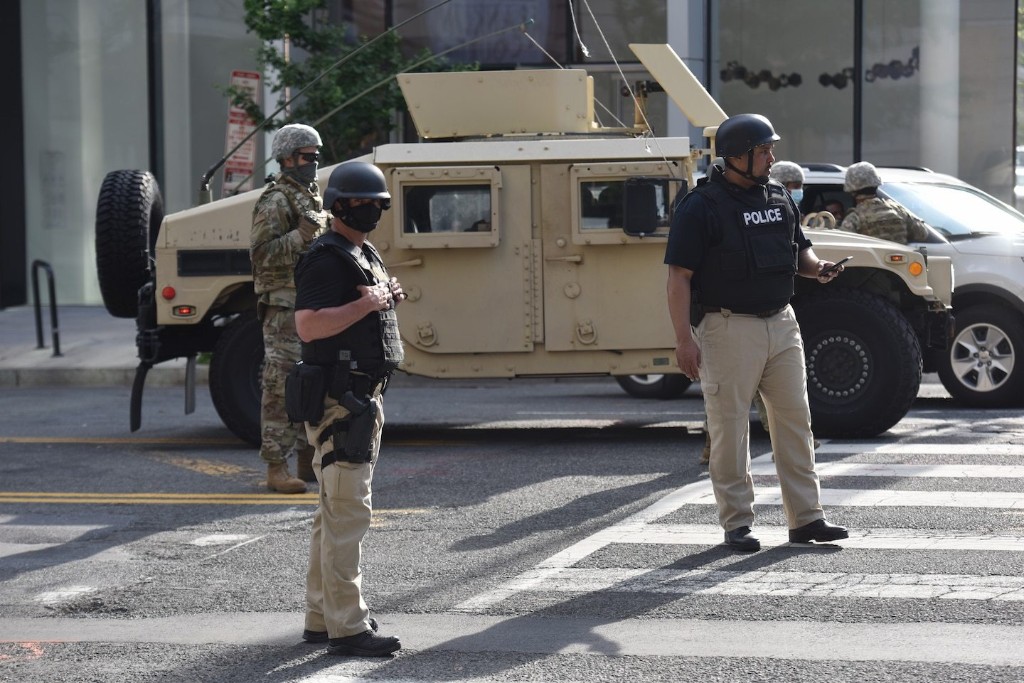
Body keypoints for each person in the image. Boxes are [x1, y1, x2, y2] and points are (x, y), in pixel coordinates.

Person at [665, 113, 850, 552]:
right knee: (730, 428)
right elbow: (678, 277)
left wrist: (818, 269)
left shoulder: (780, 197)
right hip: (727, 326)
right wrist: (683, 340)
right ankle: (737, 523)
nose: (772, 157)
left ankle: (806, 519)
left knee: (796, 423)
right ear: (738, 157)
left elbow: (800, 252)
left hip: (781, 322)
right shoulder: (701, 206)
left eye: (770, 149)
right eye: (764, 150)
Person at [293, 161, 405, 657]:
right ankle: (348, 626)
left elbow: (373, 303)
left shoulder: (362, 251)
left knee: (332, 513)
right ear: (337, 205)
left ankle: (322, 616)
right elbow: (309, 327)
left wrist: (386, 297)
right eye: (362, 203)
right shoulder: (325, 258)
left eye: (378, 205)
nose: (371, 211)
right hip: (343, 401)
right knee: (347, 514)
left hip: (362, 397)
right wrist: (367, 305)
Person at [250, 123, 329, 493]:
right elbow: (261, 255)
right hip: (283, 308)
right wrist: (301, 235)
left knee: (312, 382)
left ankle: (305, 458)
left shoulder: (310, 196)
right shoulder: (276, 201)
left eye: (316, 156)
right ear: (286, 158)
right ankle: (275, 467)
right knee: (281, 386)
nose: (313, 162)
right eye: (307, 156)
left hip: (310, 305)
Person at [840, 161, 930, 244]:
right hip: (901, 260)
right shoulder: (897, 210)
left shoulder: (854, 218)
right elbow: (922, 234)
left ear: (852, 192)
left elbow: (844, 246)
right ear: (876, 184)